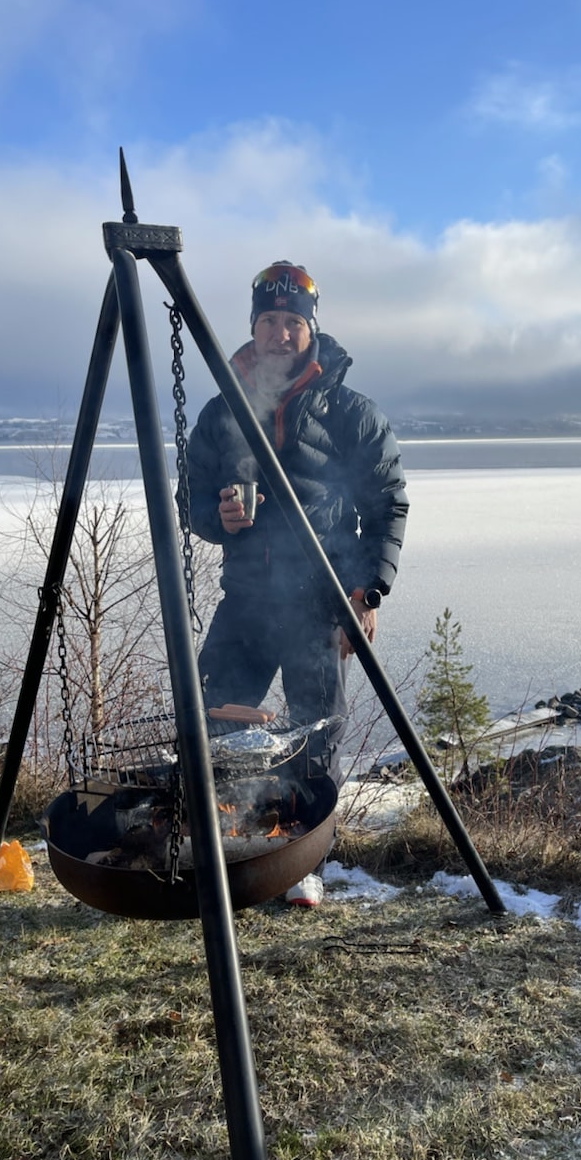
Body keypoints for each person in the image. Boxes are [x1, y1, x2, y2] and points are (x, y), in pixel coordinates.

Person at [187, 261, 409, 907]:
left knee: (315, 738)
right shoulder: (222, 412)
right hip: (246, 602)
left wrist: (365, 594)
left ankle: (302, 861)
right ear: (253, 327)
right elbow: (190, 501)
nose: (280, 334)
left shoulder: (350, 413)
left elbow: (387, 505)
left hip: (319, 604)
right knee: (214, 720)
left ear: (311, 330)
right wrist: (217, 518)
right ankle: (233, 845)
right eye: (269, 321)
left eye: (293, 322)